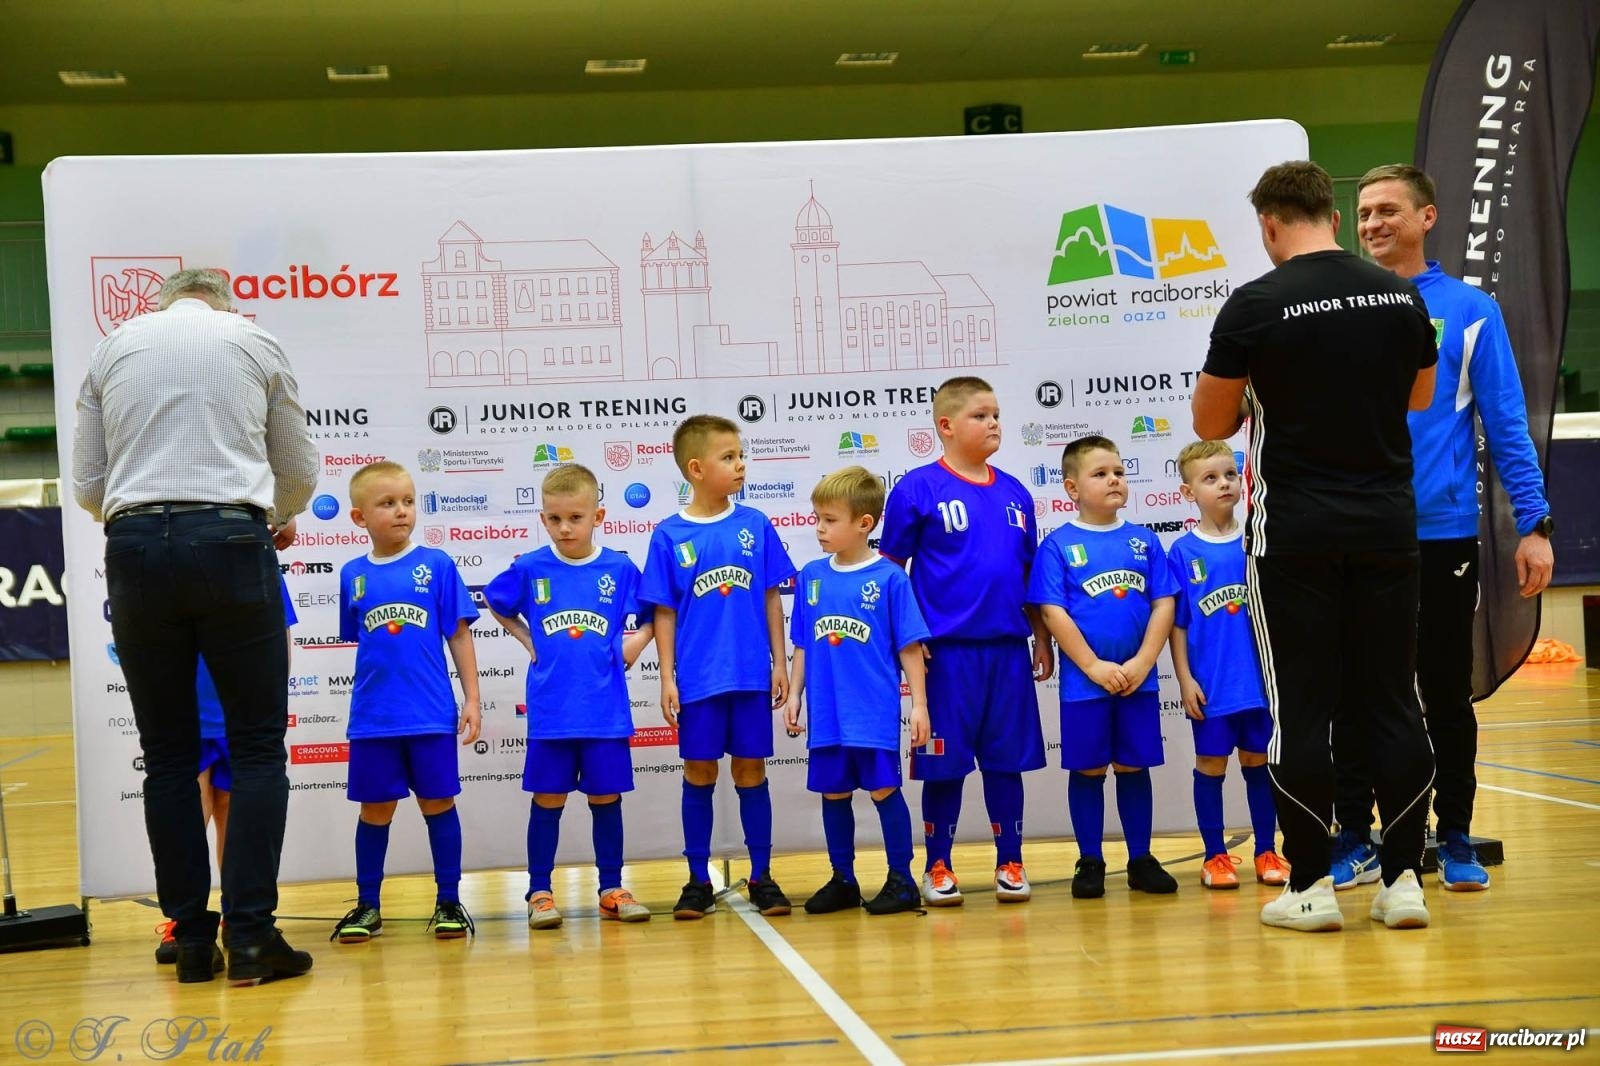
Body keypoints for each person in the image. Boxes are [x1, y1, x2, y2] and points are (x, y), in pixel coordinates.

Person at [1192, 160, 1439, 933]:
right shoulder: (1399, 294)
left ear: (1270, 225)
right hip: (1389, 527)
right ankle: (1403, 882)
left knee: (1303, 708)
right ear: (1333, 217)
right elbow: (1421, 396)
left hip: (1295, 533)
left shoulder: (1255, 304)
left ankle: (1310, 885)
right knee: (1393, 700)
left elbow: (1212, 423)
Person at [72, 267, 318, 985]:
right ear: (226, 304)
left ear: (161, 305)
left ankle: (189, 943)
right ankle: (250, 939)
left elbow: (89, 486)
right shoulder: (252, 339)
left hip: (137, 547)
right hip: (232, 541)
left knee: (169, 753)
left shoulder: (114, 346)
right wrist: (269, 513)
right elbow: (298, 475)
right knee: (257, 748)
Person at [1329, 164, 1556, 892]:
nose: (1373, 225)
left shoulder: (1469, 309)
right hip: (1357, 532)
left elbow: (1507, 424)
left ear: (1427, 217)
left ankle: (1452, 834)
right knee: (1359, 691)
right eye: (1363, 214)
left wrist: (1535, 523)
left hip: (1441, 534)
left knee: (1444, 691)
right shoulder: (1337, 304)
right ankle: (1356, 838)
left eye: (1388, 211)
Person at [880, 375, 1054, 907]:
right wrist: (909, 636)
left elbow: (1029, 577)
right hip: (945, 656)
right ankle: (938, 865)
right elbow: (890, 569)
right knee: (944, 765)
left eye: (997, 414)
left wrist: (1042, 639)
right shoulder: (916, 488)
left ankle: (1011, 861)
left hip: (1006, 653)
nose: (994, 423)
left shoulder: (1016, 492)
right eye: (981, 415)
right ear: (947, 426)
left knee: (1005, 762)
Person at [483, 464, 656, 929]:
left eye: (575, 517)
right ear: (543, 519)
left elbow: (653, 613)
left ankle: (612, 887)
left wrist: (634, 645)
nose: (565, 527)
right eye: (555, 518)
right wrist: (526, 640)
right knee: (548, 800)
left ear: (598, 516)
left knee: (606, 799)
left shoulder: (619, 569)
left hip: (604, 713)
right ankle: (539, 890)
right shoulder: (530, 567)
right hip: (552, 713)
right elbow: (496, 604)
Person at [639, 414, 798, 919]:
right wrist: (667, 675)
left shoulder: (754, 525)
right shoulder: (669, 536)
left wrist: (779, 662)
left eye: (740, 454)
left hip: (750, 675)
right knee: (700, 771)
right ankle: (696, 879)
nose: (740, 464)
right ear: (696, 468)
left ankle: (762, 875)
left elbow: (772, 597)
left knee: (751, 771)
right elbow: (664, 611)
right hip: (700, 681)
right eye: (728, 457)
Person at [329, 461, 482, 944]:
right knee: (375, 811)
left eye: (408, 501)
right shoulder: (353, 574)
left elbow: (458, 635)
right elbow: (362, 639)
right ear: (359, 518)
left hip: (430, 715)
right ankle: (367, 905)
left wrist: (471, 697)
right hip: (374, 719)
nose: (401, 512)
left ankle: (449, 901)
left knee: (438, 804)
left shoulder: (436, 565)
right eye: (387, 503)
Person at [1028, 435, 1178, 900]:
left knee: (1133, 766)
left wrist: (1144, 660)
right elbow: (1052, 611)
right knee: (1090, 769)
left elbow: (1164, 602)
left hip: (1138, 679)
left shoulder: (1144, 540)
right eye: (1100, 473)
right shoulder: (1058, 545)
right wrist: (1092, 665)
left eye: (1118, 471)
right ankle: (1090, 859)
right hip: (1085, 684)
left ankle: (1140, 858)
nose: (1113, 479)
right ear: (1072, 488)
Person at [783, 466, 931, 916]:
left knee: (885, 790)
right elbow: (804, 644)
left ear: (864, 524)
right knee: (833, 793)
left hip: (871, 712)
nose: (819, 529)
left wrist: (920, 705)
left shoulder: (889, 579)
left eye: (830, 520)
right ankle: (843, 879)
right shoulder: (811, 576)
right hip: (828, 715)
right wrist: (794, 694)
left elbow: (909, 647)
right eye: (817, 518)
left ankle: (902, 880)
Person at [1164, 441, 1287, 890]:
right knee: (1211, 765)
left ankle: (1266, 851)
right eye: (1210, 478)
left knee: (1259, 763)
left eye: (1229, 475)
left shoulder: (1259, 537)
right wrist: (1184, 678)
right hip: (1212, 686)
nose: (1223, 484)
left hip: (1260, 683)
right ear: (1187, 491)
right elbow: (1177, 625)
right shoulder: (1181, 552)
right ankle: (1215, 856)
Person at [156, 578, 298, 964]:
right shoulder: (246, 553)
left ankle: (226, 922)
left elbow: (279, 632)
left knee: (231, 816)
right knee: (198, 809)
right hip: (202, 709)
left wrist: (276, 698)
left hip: (232, 713)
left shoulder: (255, 559)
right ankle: (194, 923)